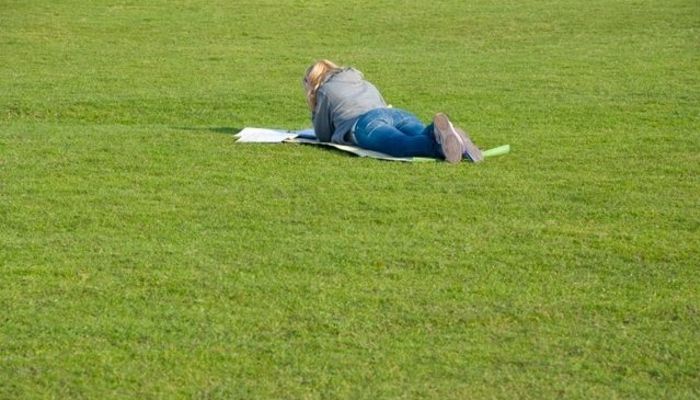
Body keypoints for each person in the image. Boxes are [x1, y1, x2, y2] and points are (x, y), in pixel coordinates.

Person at [302, 59, 483, 163]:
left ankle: (441, 147)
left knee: (402, 145)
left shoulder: (325, 91)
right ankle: (447, 136)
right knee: (420, 134)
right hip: (395, 113)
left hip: (364, 123)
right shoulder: (362, 81)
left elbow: (323, 134)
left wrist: (315, 107)